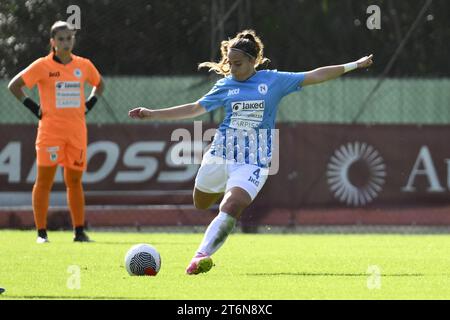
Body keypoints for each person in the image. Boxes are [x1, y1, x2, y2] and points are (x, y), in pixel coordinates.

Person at [128, 29, 373, 274]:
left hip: (254, 162)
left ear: (253, 61)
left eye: (238, 64)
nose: (233, 69)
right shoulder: (225, 85)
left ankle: (200, 256)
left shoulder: (273, 81)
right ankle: (226, 190)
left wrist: (355, 65)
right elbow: (194, 108)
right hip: (220, 156)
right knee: (201, 203)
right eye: (230, 64)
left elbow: (315, 75)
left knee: (233, 204)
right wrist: (152, 113)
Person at [8, 21, 105, 243]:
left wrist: (89, 104)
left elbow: (100, 85)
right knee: (44, 181)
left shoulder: (84, 65)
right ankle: (41, 233)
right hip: (50, 133)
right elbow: (14, 85)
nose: (65, 42)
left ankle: (79, 232)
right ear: (52, 42)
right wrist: (34, 107)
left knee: (74, 181)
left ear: (74, 40)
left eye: (69, 38)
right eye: (60, 39)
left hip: (77, 133)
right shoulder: (42, 66)